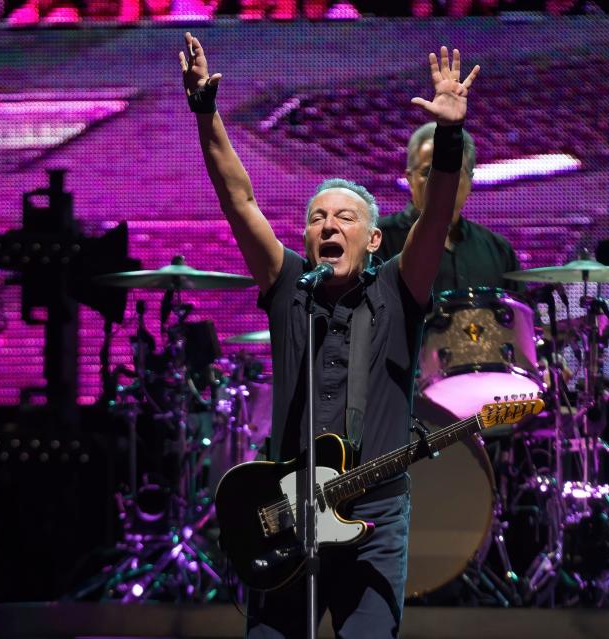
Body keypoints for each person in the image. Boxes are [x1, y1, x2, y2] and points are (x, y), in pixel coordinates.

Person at [179, 33, 479, 637]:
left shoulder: (399, 289)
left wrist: (448, 137)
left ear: (373, 240)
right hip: (287, 511)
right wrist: (206, 113)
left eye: (345, 217)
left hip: (374, 515)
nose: (328, 225)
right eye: (318, 217)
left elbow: (436, 214)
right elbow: (238, 199)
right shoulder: (289, 284)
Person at [376, 122, 519, 294]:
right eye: (429, 172)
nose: (441, 180)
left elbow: (522, 317)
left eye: (453, 171)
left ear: (470, 181)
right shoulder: (374, 241)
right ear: (410, 178)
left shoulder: (499, 250)